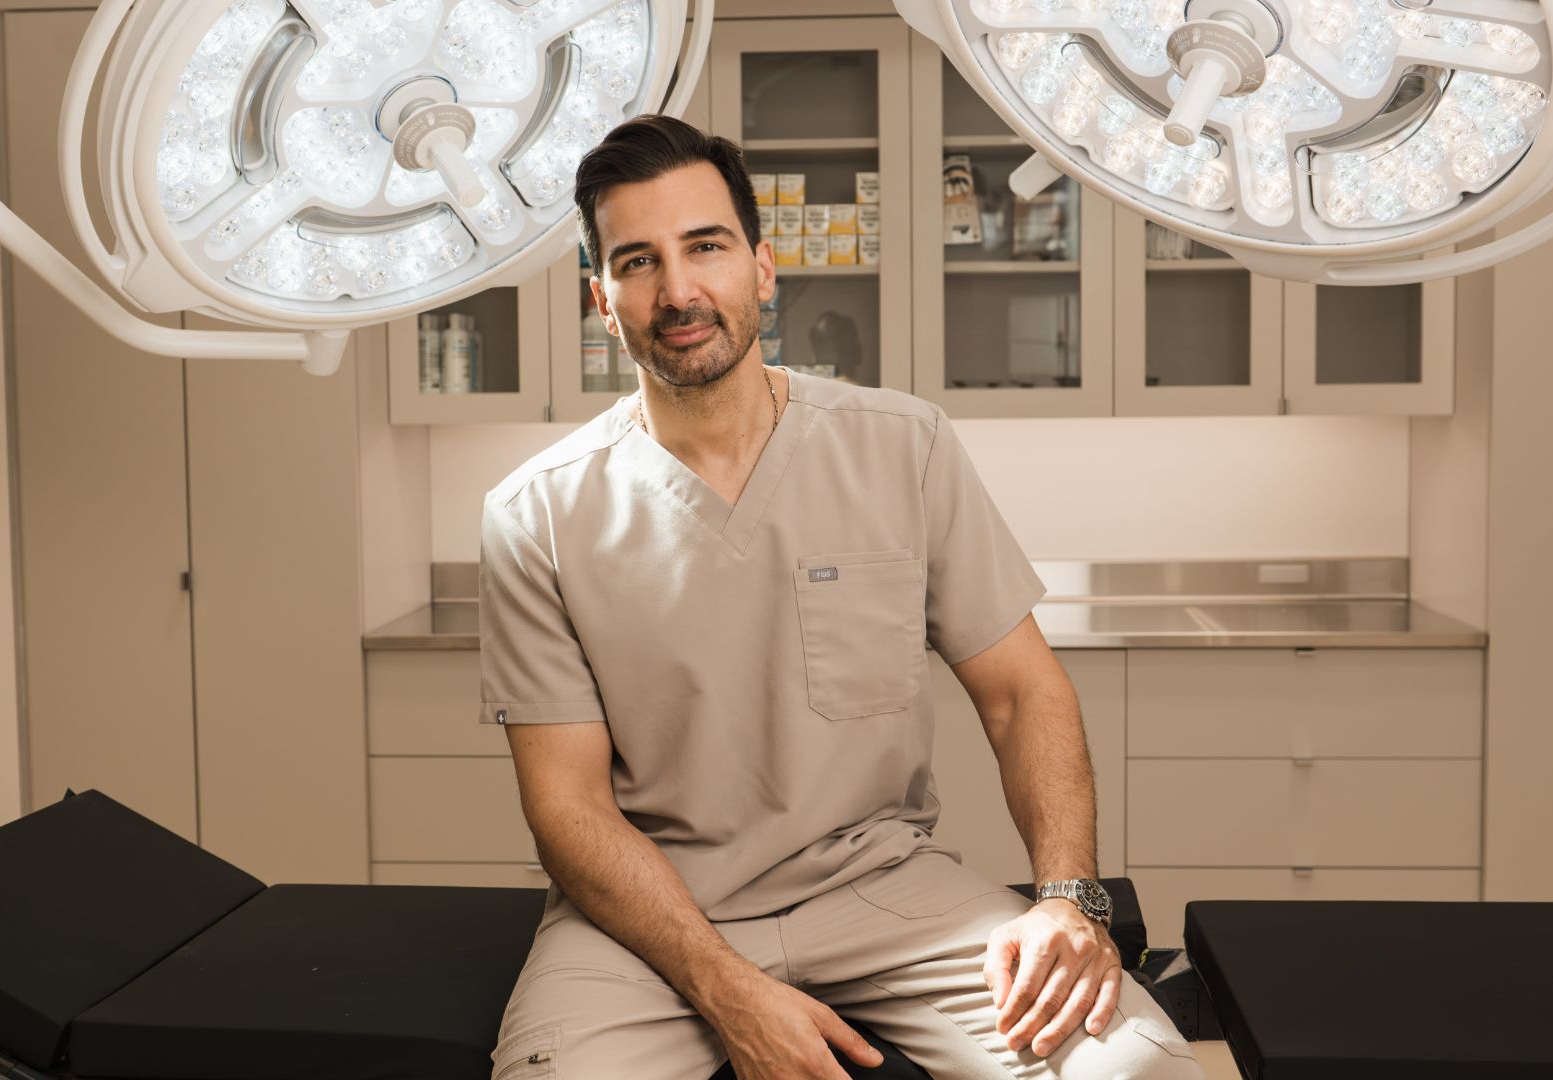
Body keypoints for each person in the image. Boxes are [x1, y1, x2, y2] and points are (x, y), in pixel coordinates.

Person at [478, 113, 1203, 1080]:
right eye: (638, 261)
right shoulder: (539, 514)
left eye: (706, 247)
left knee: (1138, 1068)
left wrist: (1065, 900)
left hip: (881, 889)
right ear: (602, 301)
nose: (680, 289)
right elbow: (567, 809)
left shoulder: (904, 448)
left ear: (762, 268)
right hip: (650, 923)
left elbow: (1022, 691)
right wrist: (727, 988)